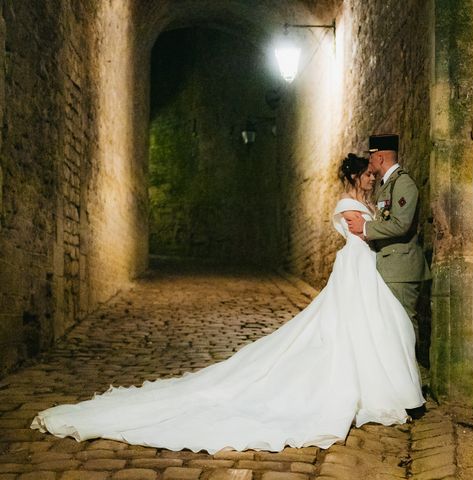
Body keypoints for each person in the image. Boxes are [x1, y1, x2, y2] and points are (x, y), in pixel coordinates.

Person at [31, 153, 425, 454]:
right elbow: (363, 233)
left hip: (363, 270)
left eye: (375, 176)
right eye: (369, 176)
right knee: (353, 329)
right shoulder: (347, 205)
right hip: (357, 268)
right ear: (356, 177)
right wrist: (369, 228)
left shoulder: (368, 205)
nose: (373, 181)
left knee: (365, 327)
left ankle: (380, 379)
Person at [346, 134, 431, 418]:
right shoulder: (387, 186)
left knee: (405, 328)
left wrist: (366, 229)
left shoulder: (403, 183)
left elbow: (400, 224)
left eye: (372, 157)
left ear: (380, 157)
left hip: (402, 268)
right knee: (394, 329)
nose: (370, 163)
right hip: (389, 267)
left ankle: (412, 393)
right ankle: (402, 389)